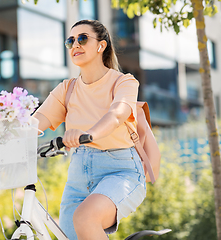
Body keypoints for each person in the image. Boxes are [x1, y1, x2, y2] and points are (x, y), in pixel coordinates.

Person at [33, 20, 146, 240]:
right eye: (70, 41)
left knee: (85, 217)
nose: (75, 44)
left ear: (101, 46)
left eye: (83, 38)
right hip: (78, 174)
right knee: (70, 235)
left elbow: (117, 114)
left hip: (120, 170)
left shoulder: (123, 82)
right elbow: (36, 122)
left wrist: (88, 135)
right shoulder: (67, 89)